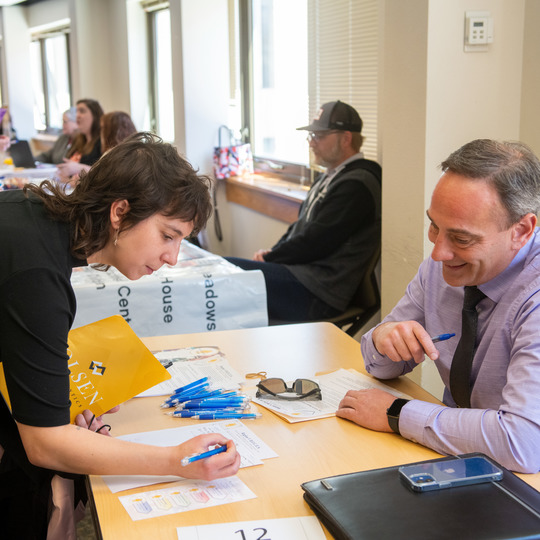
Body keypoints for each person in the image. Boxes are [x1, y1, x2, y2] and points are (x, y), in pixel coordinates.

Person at [0, 132, 240, 537]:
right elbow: (44, 445)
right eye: (168, 235)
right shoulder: (36, 270)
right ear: (120, 212)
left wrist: (57, 398)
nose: (172, 257)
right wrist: (175, 460)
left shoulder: (35, 217)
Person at [336, 139, 540, 474]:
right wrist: (385, 337)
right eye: (434, 226)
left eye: (461, 239)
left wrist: (397, 413)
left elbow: (523, 443)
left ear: (522, 230)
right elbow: (379, 366)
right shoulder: (444, 266)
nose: (438, 254)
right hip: (460, 462)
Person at [226, 101, 381, 321]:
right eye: (311, 136)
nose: (312, 143)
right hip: (302, 278)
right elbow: (299, 229)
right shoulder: (329, 176)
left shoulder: (358, 184)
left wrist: (272, 258)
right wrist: (272, 253)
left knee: (226, 275)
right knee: (224, 273)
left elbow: (317, 240)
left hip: (319, 292)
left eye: (319, 136)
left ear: (346, 138)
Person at [57, 111, 137, 184]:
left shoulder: (113, 154)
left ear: (110, 131)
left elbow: (104, 182)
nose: (100, 132)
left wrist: (77, 181)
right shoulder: (134, 151)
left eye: (102, 128)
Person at [56, 98, 104, 182]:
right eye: (77, 111)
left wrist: (79, 168)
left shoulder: (102, 141)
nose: (77, 115)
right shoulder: (79, 139)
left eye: (82, 111)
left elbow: (105, 174)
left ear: (95, 115)